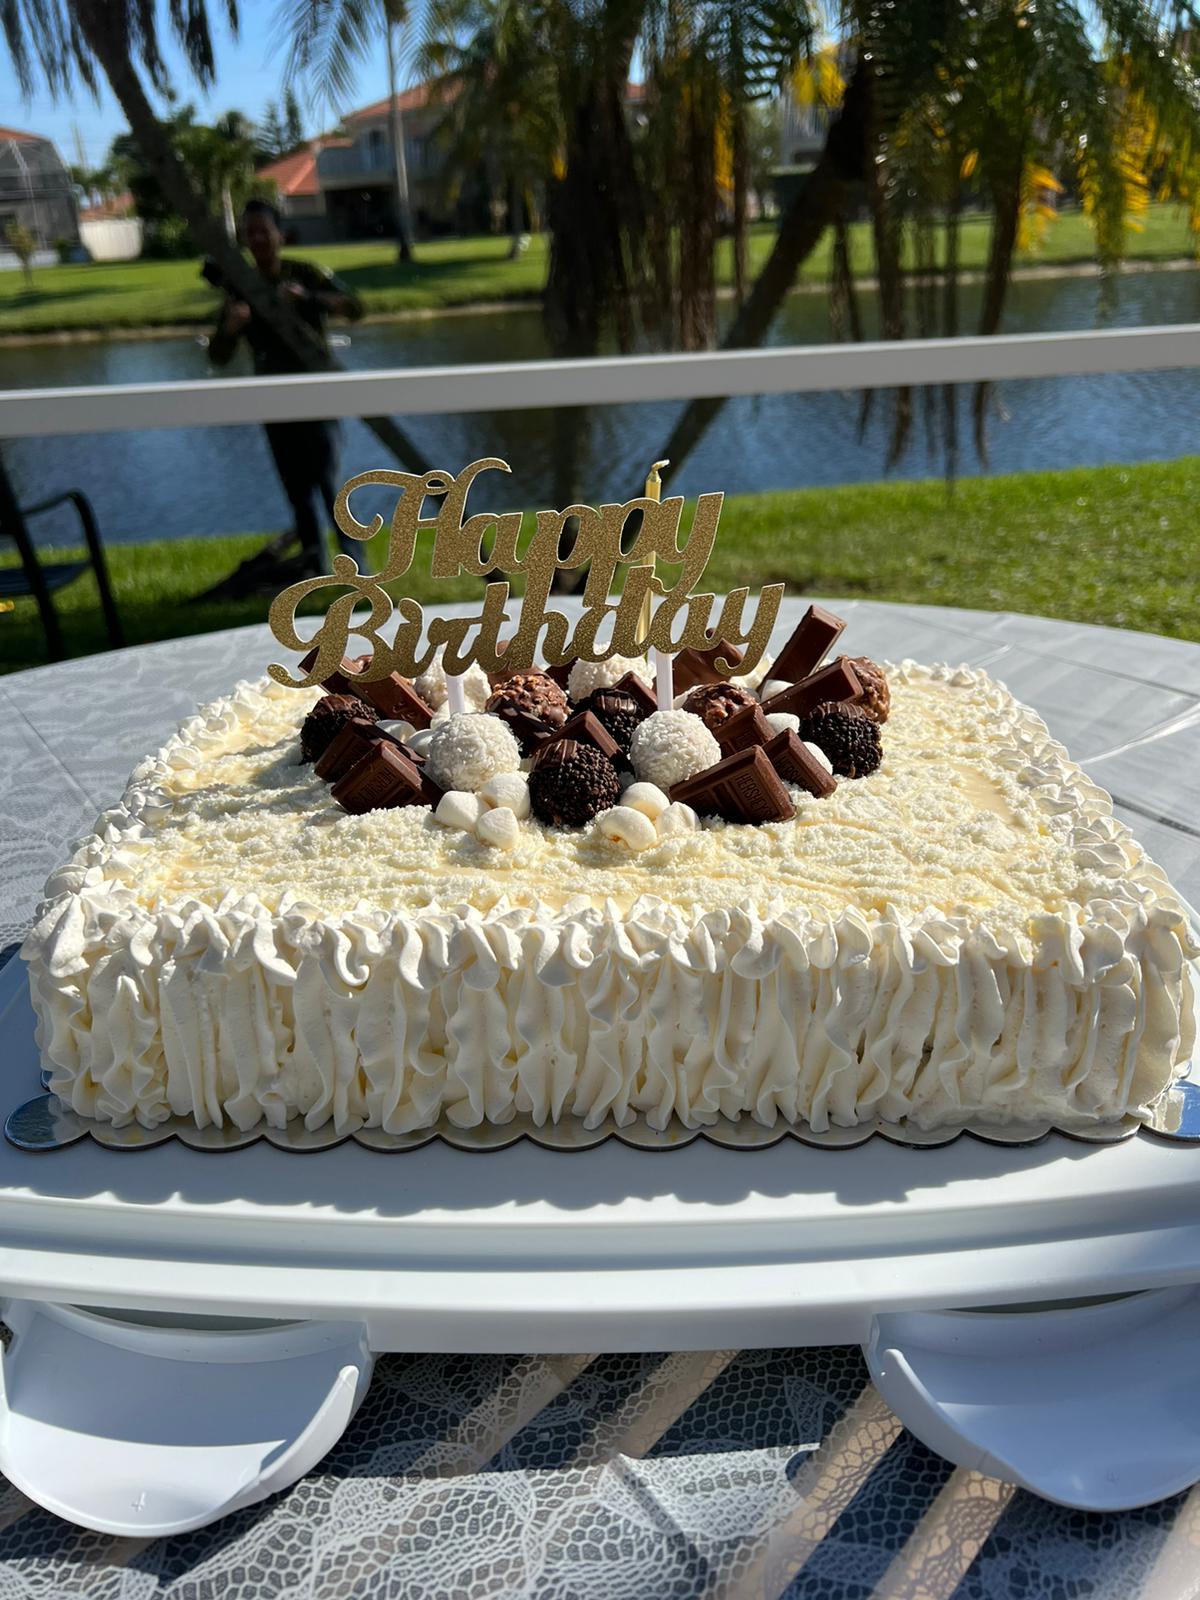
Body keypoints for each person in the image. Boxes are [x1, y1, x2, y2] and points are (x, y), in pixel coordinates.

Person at [207, 199, 364, 576]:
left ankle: (356, 568)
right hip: (272, 399)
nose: (258, 239)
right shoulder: (239, 286)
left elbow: (356, 308)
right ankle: (313, 565)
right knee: (296, 489)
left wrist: (308, 299)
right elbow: (218, 355)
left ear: (280, 235)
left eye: (264, 230)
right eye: (251, 233)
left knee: (330, 483)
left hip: (317, 395)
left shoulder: (305, 273)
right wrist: (231, 327)